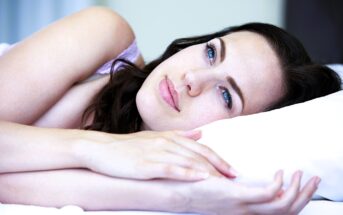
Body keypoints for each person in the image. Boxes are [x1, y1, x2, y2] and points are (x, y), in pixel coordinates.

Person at [0, 6, 341, 215]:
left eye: (225, 95)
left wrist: (185, 197)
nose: (192, 79)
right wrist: (98, 149)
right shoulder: (104, 32)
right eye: (210, 53)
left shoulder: (156, 162)